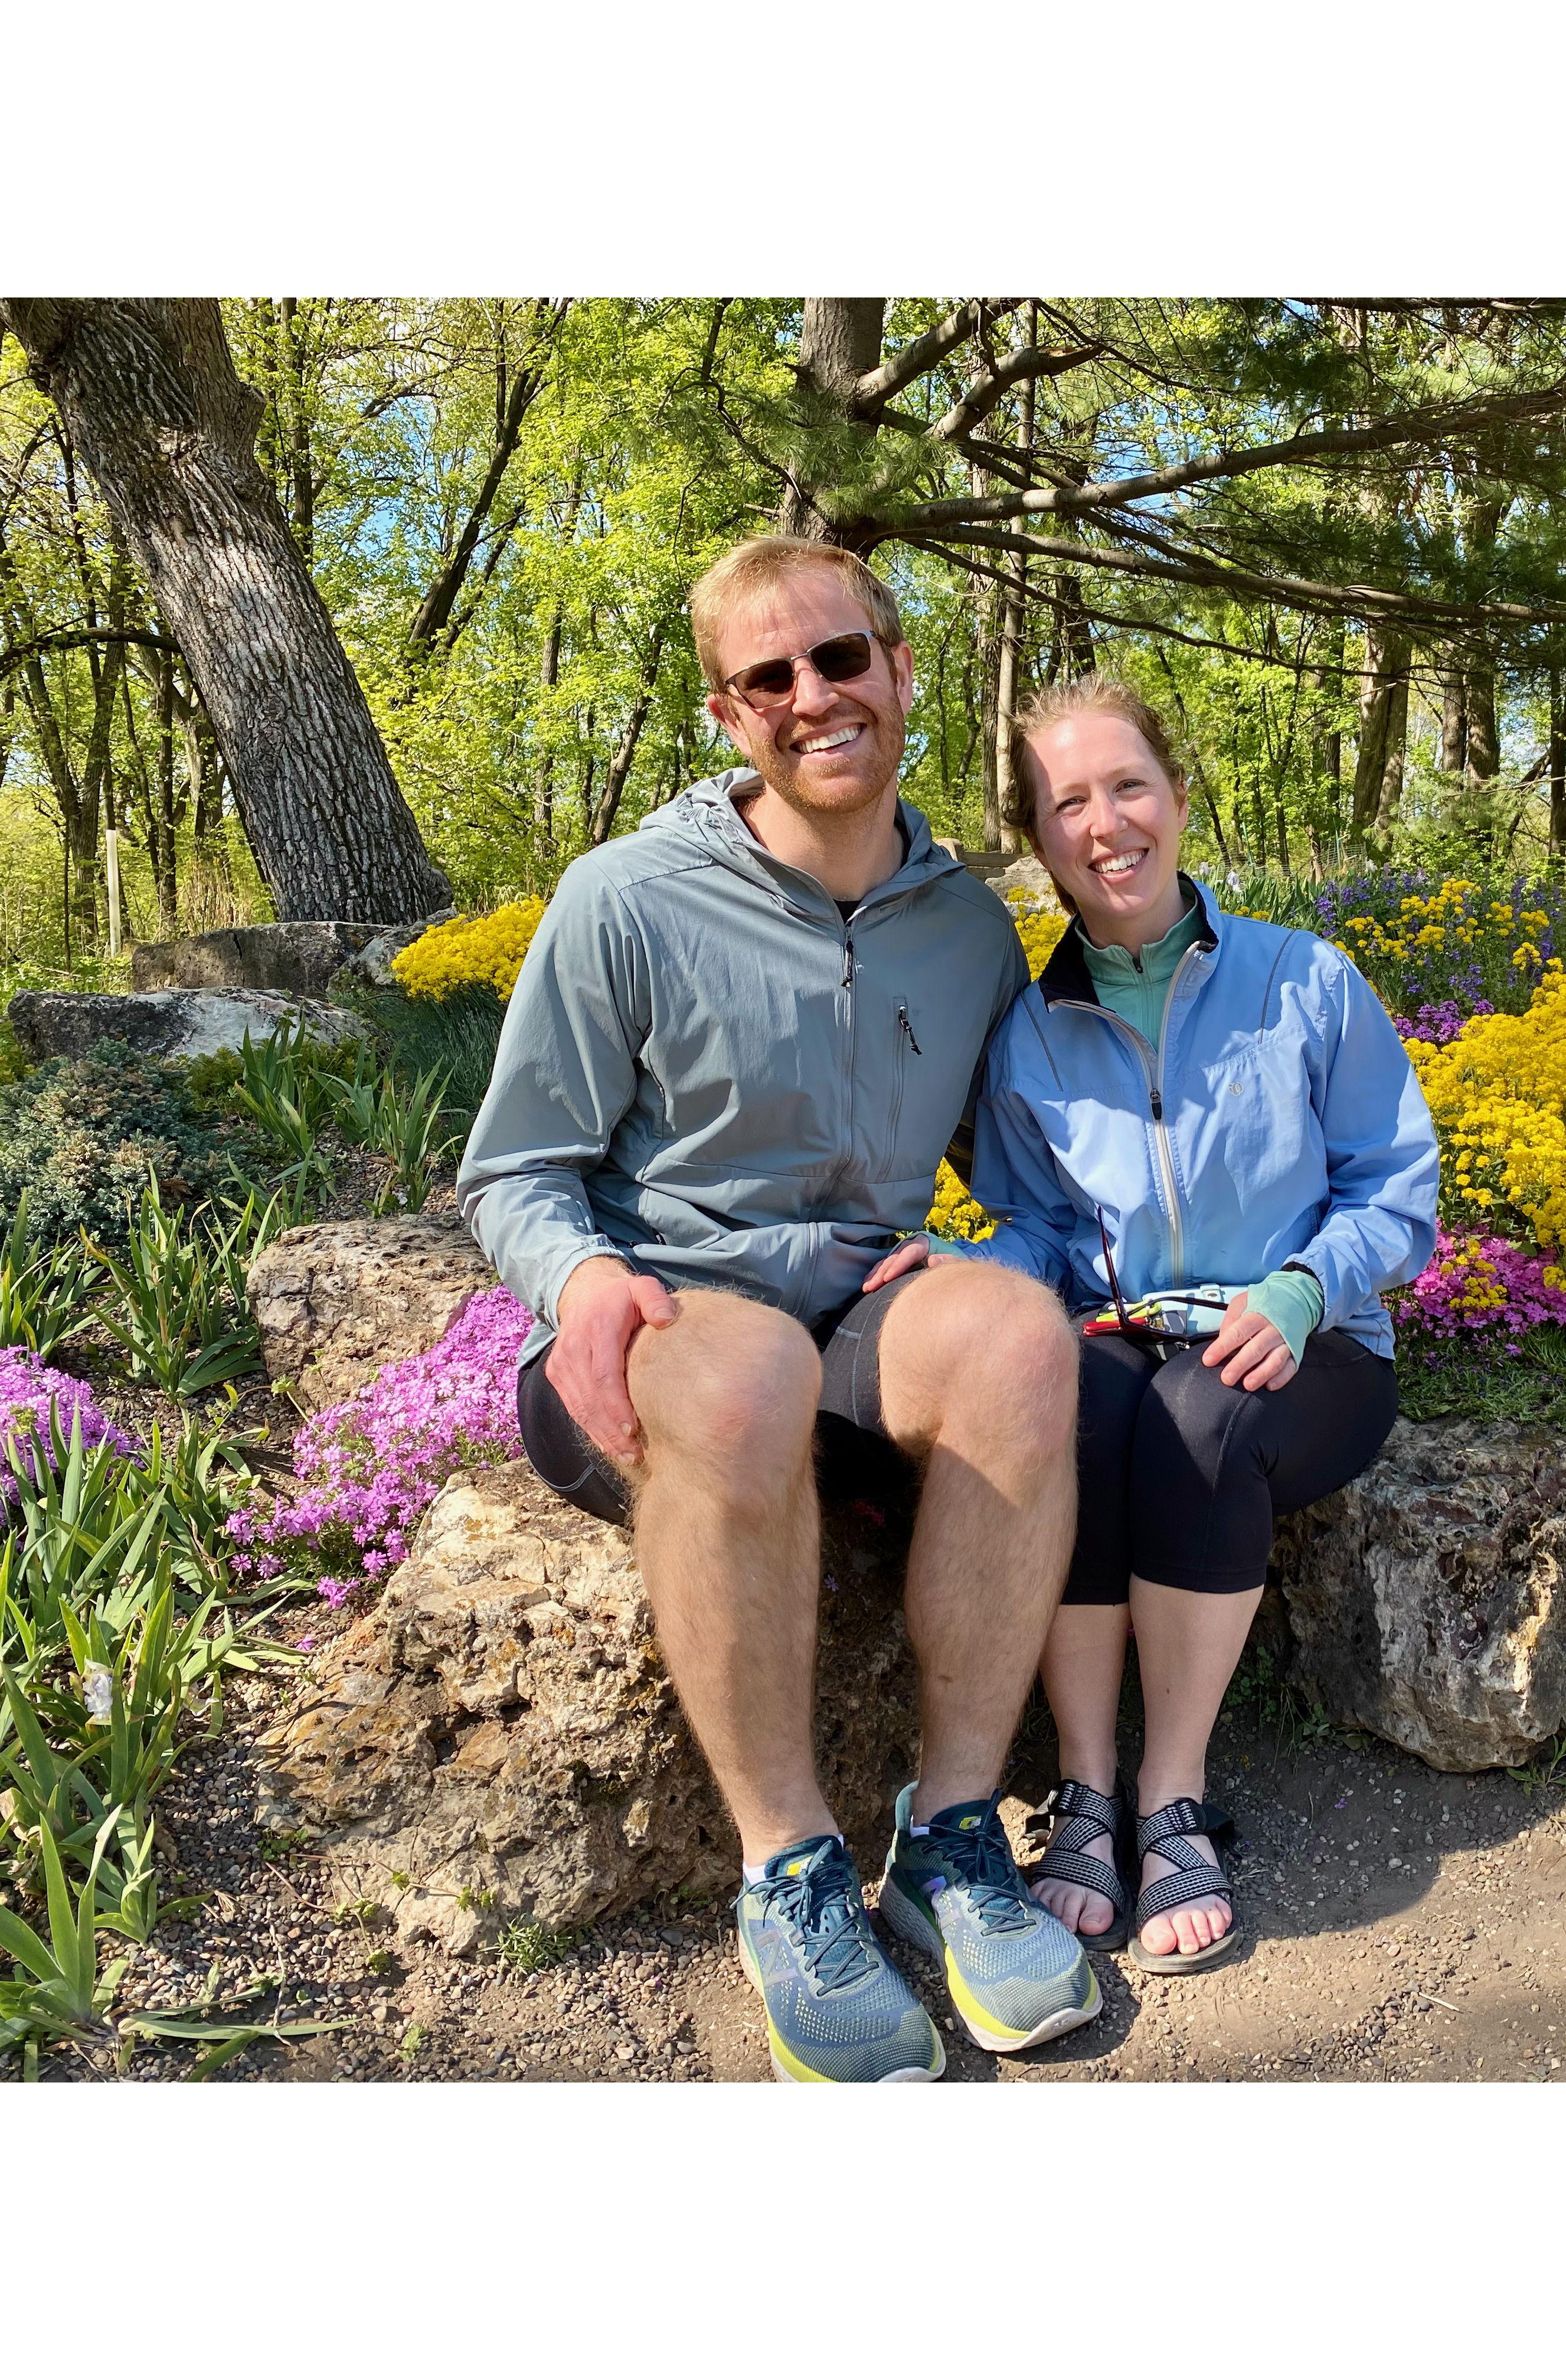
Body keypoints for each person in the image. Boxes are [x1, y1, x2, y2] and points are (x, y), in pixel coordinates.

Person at [457, 536, 1100, 2083]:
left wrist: (1010, 1251)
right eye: (770, 676)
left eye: (842, 657)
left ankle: (952, 1838)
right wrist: (588, 1278)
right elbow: (514, 1173)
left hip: (859, 1317)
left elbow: (1019, 1172)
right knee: (741, 1378)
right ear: (728, 715)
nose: (816, 695)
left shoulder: (967, 930)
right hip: (666, 1320)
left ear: (900, 667)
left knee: (1017, 1333)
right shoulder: (624, 900)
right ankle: (790, 1869)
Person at [865, 678, 1438, 1971]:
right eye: (1068, 802)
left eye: (1128, 786)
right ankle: (1086, 1789)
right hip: (1124, 1326)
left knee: (1203, 1411)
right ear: (1042, 839)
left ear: (1177, 803)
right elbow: (1039, 1229)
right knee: (1075, 1403)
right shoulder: (1030, 1033)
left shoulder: (1306, 980)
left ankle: (1173, 1795)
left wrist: (1302, 1291)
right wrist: (957, 1270)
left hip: (1312, 1344)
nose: (1106, 822)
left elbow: (1397, 1190)